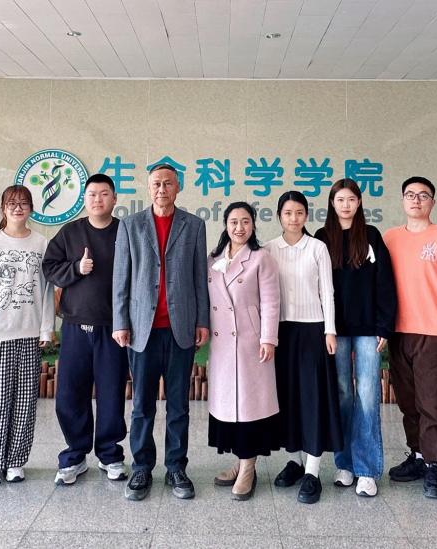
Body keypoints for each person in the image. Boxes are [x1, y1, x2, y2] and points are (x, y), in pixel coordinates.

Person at [112, 164, 210, 501]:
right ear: (148, 187)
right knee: (142, 405)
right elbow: (121, 277)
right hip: (143, 329)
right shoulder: (131, 225)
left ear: (178, 187)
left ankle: (176, 468)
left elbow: (199, 276)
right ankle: (141, 467)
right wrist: (120, 322)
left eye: (168, 183)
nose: (162, 189)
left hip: (180, 328)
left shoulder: (193, 225)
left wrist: (202, 320)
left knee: (179, 405)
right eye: (156, 183)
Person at [383, 176, 437, 500]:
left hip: (435, 332)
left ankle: (435, 465)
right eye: (410, 195)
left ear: (433, 202)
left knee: (433, 402)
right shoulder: (390, 238)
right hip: (398, 331)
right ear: (402, 200)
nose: (416, 200)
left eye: (423, 195)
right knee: (408, 400)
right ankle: (418, 456)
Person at [42, 174, 130, 485]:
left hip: (113, 329)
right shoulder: (71, 232)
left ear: (114, 199)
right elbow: (49, 267)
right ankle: (75, 454)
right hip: (75, 327)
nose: (97, 199)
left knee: (111, 393)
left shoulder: (125, 232)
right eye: (92, 194)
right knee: (70, 393)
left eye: (104, 194)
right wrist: (76, 269)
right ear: (84, 199)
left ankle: (110, 454)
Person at [314, 178, 396, 498]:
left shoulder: (371, 235)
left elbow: (385, 283)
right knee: (342, 395)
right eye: (340, 200)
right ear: (332, 204)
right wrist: (324, 328)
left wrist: (384, 327)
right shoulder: (322, 238)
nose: (345, 205)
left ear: (359, 202)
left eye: (351, 199)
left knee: (367, 395)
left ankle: (367, 469)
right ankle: (344, 463)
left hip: (367, 330)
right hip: (335, 331)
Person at [0, 184, 55, 487]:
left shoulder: (41, 243)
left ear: (31, 208)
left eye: (23, 203)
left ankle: (16, 462)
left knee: (25, 403)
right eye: (11, 203)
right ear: (3, 208)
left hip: (29, 334)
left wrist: (46, 329)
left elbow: (47, 290)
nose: (18, 208)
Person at [267, 191, 344, 504]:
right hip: (281, 332)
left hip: (313, 331)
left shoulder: (317, 247)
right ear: (279, 216)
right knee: (287, 398)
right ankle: (295, 461)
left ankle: (313, 470)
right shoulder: (269, 249)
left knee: (312, 399)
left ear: (306, 216)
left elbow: (328, 291)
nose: (293, 218)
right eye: (288, 213)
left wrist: (330, 330)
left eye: (299, 212)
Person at [206, 202, 281, 501]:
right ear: (225, 225)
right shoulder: (213, 259)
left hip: (251, 342)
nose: (239, 227)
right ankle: (240, 462)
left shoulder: (261, 258)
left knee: (250, 408)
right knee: (230, 409)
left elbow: (271, 302)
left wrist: (268, 338)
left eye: (245, 221)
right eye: (234, 222)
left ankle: (248, 467)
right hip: (222, 344)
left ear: (253, 225)